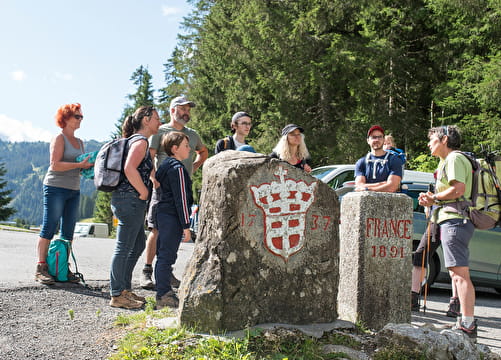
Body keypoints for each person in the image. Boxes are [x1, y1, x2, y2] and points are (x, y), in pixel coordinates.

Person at [414, 125, 477, 338]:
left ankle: (468, 324)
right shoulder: (447, 161)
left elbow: (458, 189)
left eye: (432, 139)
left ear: (444, 139)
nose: (428, 144)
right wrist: (432, 199)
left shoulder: (454, 159)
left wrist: (435, 198)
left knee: (460, 274)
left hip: (455, 221)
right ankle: (464, 322)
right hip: (451, 219)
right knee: (456, 273)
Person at [141, 96, 208, 290]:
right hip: (162, 189)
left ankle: (166, 272)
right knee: (157, 229)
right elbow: (149, 157)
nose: (186, 112)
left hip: (182, 188)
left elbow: (203, 152)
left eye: (188, 109)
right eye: (182, 109)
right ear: (172, 110)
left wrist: (193, 167)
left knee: (175, 230)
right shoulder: (160, 131)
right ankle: (147, 270)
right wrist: (153, 179)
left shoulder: (192, 135)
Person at [109, 106, 161, 309]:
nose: (159, 121)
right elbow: (129, 168)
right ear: (146, 120)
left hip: (128, 199)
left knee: (138, 244)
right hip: (130, 199)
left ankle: (124, 289)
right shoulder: (140, 141)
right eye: (156, 118)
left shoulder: (137, 141)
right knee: (123, 247)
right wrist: (144, 192)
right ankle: (116, 294)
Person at [35, 103, 93, 285]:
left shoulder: (80, 142)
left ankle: (61, 268)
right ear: (66, 118)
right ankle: (41, 267)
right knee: (49, 227)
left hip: (74, 189)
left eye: (81, 116)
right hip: (55, 187)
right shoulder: (59, 138)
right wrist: (79, 165)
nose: (80, 119)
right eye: (77, 116)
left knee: (68, 231)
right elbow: (55, 165)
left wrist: (89, 168)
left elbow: (80, 167)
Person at [154, 132, 193, 309]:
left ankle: (163, 290)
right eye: (186, 145)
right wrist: (186, 225)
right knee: (166, 256)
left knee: (164, 254)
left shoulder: (164, 166)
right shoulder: (177, 168)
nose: (189, 148)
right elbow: (182, 198)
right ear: (175, 149)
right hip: (171, 216)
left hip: (163, 213)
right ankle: (164, 295)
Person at [354, 125, 403, 192]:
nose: (377, 140)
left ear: (383, 140)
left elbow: (392, 187)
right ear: (368, 140)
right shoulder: (361, 162)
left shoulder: (394, 160)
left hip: (389, 201)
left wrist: (367, 189)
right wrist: (381, 184)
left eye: (380, 137)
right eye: (374, 137)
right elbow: (359, 185)